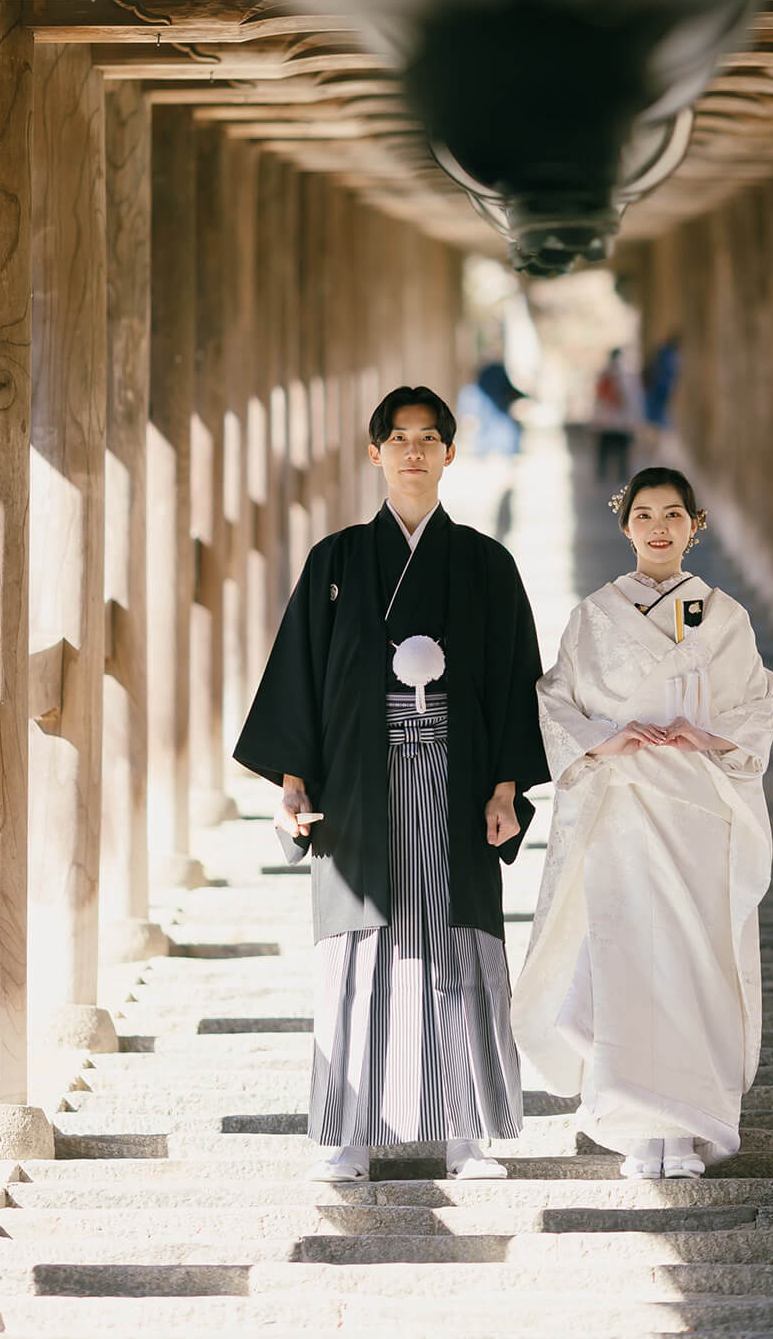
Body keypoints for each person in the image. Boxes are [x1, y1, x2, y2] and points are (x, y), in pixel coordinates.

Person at [234, 386, 548, 1184]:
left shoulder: (485, 563)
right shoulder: (335, 562)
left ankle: (465, 1134)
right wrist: (295, 783)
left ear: (450, 452)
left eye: (429, 437)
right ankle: (347, 1135)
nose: (414, 451)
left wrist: (506, 789)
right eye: (399, 438)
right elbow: (300, 680)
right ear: (374, 453)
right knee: (357, 951)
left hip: (458, 772)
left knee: (456, 947)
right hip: (359, 784)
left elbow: (514, 683)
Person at [512, 466, 773, 1180]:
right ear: (625, 526)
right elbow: (556, 697)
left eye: (673, 515)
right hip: (621, 805)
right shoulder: (594, 615)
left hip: (695, 806)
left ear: (697, 525)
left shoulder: (725, 617)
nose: (659, 527)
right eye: (644, 515)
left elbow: (756, 703)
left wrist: (706, 734)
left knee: (692, 958)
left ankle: (687, 1126)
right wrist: (607, 737)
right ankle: (634, 1122)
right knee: (626, 954)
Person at [591, 347, 642, 483]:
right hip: (617, 423)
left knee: (607, 453)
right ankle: (618, 480)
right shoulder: (626, 376)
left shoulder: (606, 375)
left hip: (610, 423)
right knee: (619, 454)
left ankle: (606, 478)